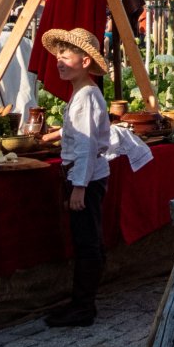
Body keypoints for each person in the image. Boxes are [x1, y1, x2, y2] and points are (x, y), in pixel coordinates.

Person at [40, 28, 112, 327]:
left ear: (85, 62)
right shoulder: (84, 95)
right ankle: (81, 302)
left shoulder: (86, 97)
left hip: (87, 179)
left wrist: (79, 188)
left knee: (87, 243)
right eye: (58, 55)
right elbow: (82, 132)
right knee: (87, 240)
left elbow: (86, 145)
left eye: (66, 56)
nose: (59, 61)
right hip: (86, 176)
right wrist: (56, 134)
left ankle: (84, 307)